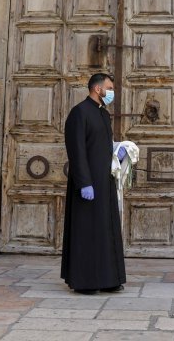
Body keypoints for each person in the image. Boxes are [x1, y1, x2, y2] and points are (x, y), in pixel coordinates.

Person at [61, 73, 126, 295]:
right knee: (87, 231)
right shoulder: (79, 113)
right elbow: (77, 150)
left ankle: (109, 278)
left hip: (105, 180)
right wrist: (84, 182)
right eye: (110, 87)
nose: (112, 92)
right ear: (98, 89)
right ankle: (86, 280)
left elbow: (102, 145)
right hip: (88, 182)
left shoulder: (102, 114)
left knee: (105, 229)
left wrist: (119, 151)